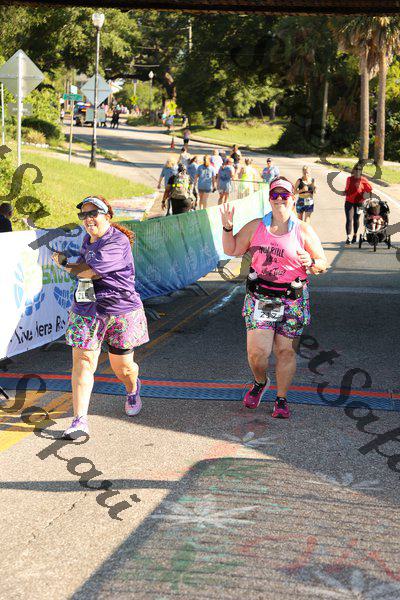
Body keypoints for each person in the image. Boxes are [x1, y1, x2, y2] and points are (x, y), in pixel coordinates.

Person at [220, 177, 327, 419]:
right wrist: (227, 228)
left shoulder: (303, 230)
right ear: (269, 199)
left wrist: (311, 261)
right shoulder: (256, 227)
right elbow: (232, 249)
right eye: (275, 195)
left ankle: (281, 399)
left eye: (284, 195)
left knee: (285, 352)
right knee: (257, 353)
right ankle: (260, 382)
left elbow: (322, 263)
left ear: (293, 199)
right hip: (262, 297)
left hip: (292, 298)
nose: (279, 199)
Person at [51, 196, 149, 439]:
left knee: (122, 368)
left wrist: (64, 264)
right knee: (83, 362)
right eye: (83, 215)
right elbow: (84, 272)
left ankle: (132, 387)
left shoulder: (117, 241)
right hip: (87, 308)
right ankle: (79, 420)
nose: (88, 219)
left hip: (120, 310)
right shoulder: (88, 239)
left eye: (93, 213)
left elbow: (89, 272)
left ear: (108, 216)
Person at [345, 165, 372, 244]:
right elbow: (347, 189)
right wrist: (345, 192)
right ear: (353, 171)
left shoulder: (364, 180)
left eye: (359, 169)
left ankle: (355, 235)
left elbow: (370, 190)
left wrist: (368, 198)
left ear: (361, 171)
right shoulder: (349, 179)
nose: (357, 171)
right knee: (349, 219)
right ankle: (348, 237)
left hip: (359, 203)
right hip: (349, 202)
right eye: (356, 169)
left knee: (356, 219)